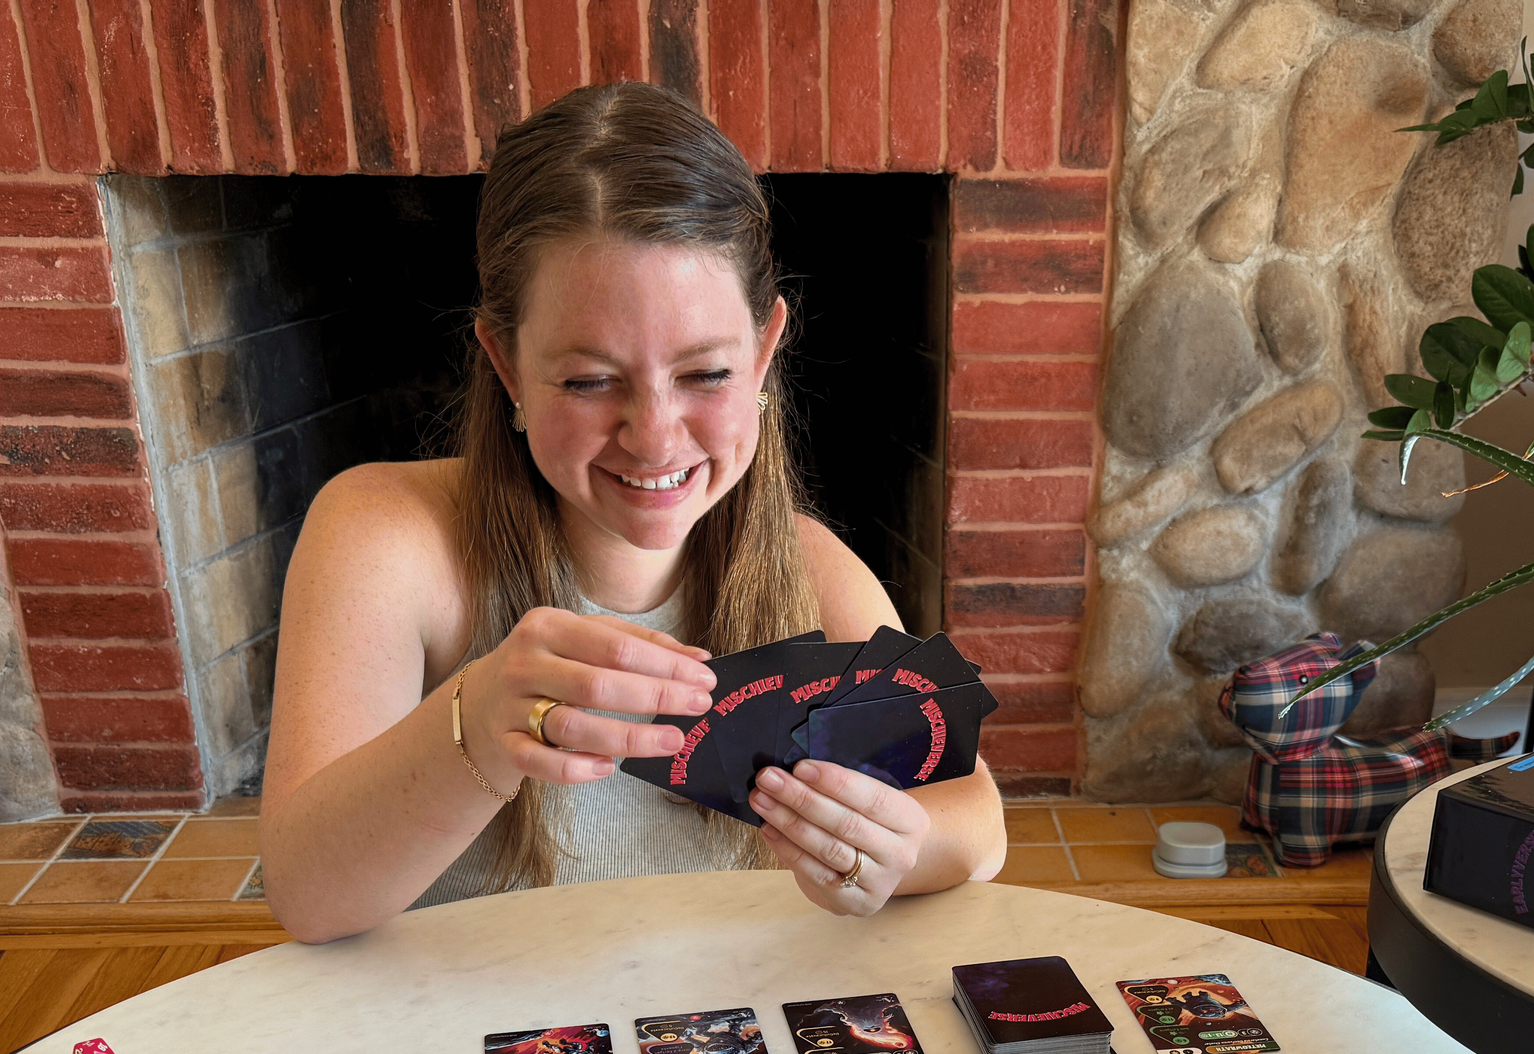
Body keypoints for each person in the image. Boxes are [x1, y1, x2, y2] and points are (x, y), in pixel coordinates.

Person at [260, 83, 1007, 943]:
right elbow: (307, 897)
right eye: (587, 380)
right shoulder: (383, 537)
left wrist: (894, 848)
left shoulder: (813, 571)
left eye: (706, 374)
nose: (653, 437)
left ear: (763, 353)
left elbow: (976, 818)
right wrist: (475, 726)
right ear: (505, 367)